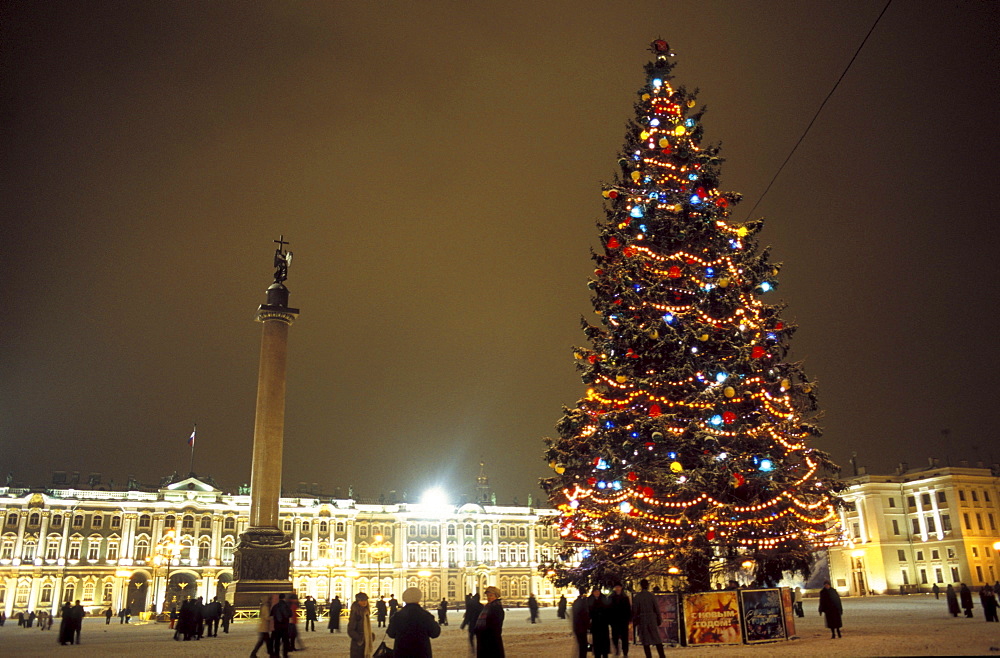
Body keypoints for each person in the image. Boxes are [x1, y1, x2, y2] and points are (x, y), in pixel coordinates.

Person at [387, 586, 441, 657]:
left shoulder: (397, 616)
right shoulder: (425, 615)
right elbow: (435, 633)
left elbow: (391, 633)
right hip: (421, 653)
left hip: (402, 653)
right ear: (418, 599)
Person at [632, 579, 665, 658]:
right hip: (652, 618)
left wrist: (635, 621)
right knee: (657, 639)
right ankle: (662, 655)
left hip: (642, 619)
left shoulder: (637, 597)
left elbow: (635, 611)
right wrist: (659, 619)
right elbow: (656, 608)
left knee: (646, 641)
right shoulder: (651, 595)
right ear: (648, 585)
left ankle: (649, 656)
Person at [474, 585, 505, 658]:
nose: (489, 598)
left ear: (496, 596)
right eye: (488, 596)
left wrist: (483, 632)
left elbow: (495, 626)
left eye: (491, 595)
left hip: (491, 640)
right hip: (484, 639)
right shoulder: (488, 607)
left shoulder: (496, 608)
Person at [348, 592, 375, 658]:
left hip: (365, 641)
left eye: (365, 600)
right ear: (358, 601)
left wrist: (370, 635)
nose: (364, 602)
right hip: (358, 645)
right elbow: (350, 630)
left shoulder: (365, 612)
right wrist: (360, 638)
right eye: (362, 600)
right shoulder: (356, 612)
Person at [608, 583, 631, 657]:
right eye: (616, 587)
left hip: (623, 620)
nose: (618, 588)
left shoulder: (625, 597)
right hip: (614, 620)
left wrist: (628, 618)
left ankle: (625, 652)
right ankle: (617, 649)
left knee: (624, 637)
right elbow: (609, 609)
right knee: (615, 637)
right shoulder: (611, 597)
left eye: (619, 587)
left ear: (621, 588)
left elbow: (628, 609)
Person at [589, 587, 611, 658]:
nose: (597, 593)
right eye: (595, 591)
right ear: (593, 592)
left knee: (604, 641)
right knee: (596, 641)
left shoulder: (604, 599)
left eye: (598, 591)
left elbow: (608, 610)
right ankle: (597, 654)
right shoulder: (590, 600)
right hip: (595, 624)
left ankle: (605, 654)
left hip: (603, 623)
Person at [270, 592, 294, 657]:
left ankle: (277, 654)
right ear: (284, 598)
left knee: (277, 641)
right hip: (284, 626)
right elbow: (290, 614)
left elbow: (271, 614)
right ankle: (285, 654)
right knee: (285, 641)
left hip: (277, 626)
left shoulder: (275, 606)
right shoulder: (286, 606)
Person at [571, 589, 591, 658]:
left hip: (578, 627)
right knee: (583, 644)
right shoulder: (583, 602)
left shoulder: (576, 602)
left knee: (582, 644)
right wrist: (588, 625)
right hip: (581, 626)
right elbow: (584, 615)